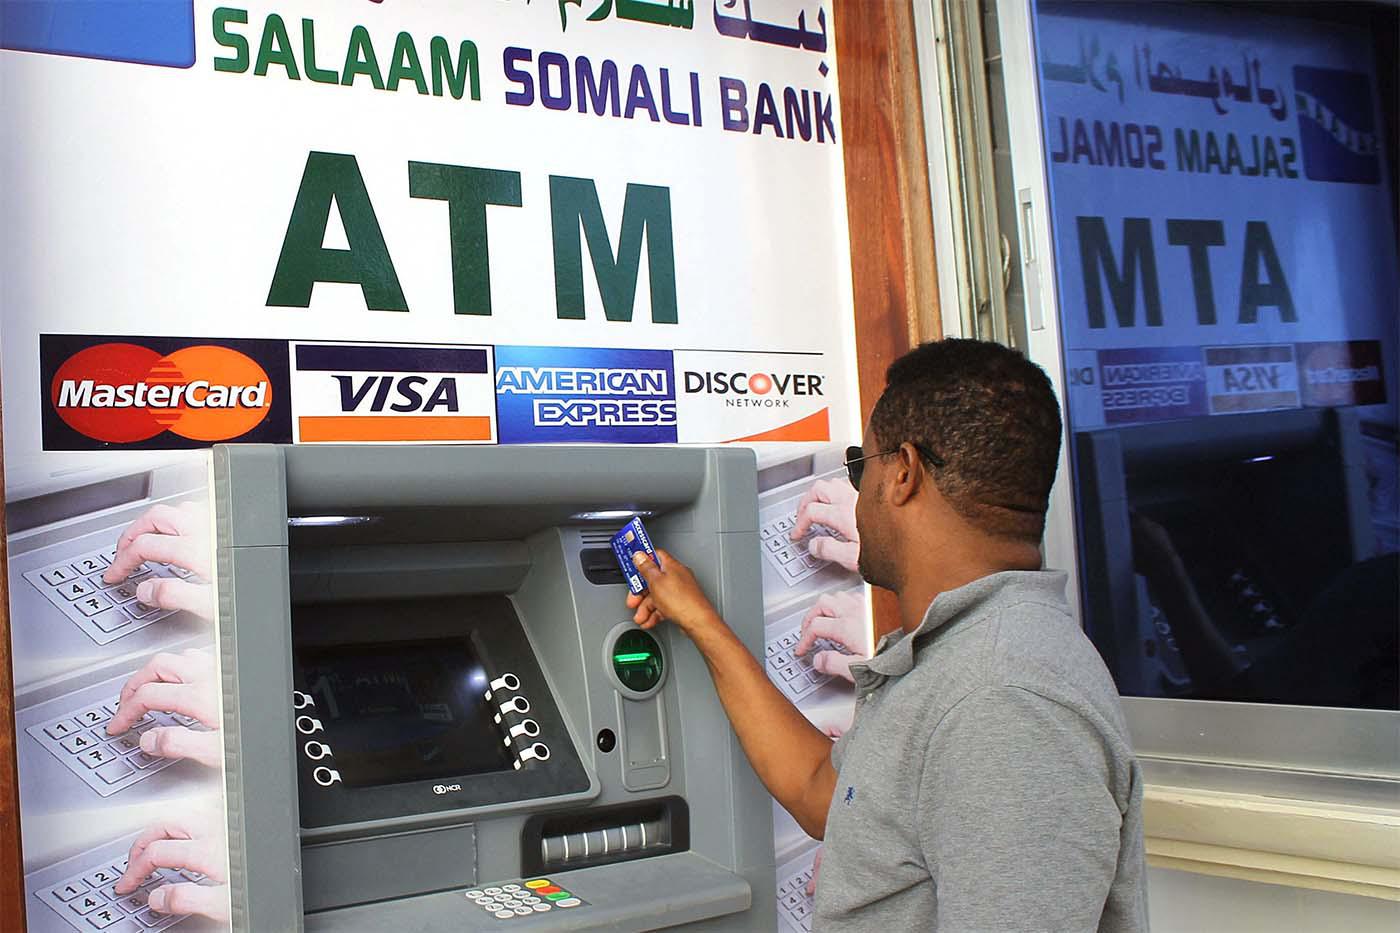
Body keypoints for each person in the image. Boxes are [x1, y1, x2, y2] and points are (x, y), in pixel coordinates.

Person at [626, 339, 1148, 932]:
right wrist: (702, 624)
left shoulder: (1004, 704)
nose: (858, 492)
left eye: (860, 465)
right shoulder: (957, 657)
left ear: (902, 473)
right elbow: (822, 795)